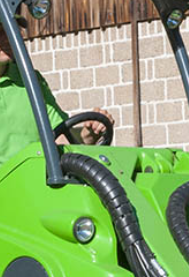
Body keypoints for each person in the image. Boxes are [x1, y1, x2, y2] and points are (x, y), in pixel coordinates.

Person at [0, 15, 114, 168]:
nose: (8, 38)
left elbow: (60, 137)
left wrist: (88, 136)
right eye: (0, 31)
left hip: (36, 182)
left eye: (12, 30)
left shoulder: (30, 80)